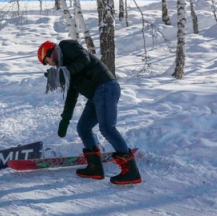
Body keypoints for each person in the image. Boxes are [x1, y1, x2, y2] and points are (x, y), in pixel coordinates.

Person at [38, 40, 141, 184]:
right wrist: (65, 119)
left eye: (46, 61)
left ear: (49, 52)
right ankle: (95, 168)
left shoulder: (67, 46)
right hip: (96, 95)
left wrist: (64, 72)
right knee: (84, 127)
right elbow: (72, 94)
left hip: (106, 87)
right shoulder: (66, 67)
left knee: (107, 128)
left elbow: (84, 59)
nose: (49, 64)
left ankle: (131, 172)